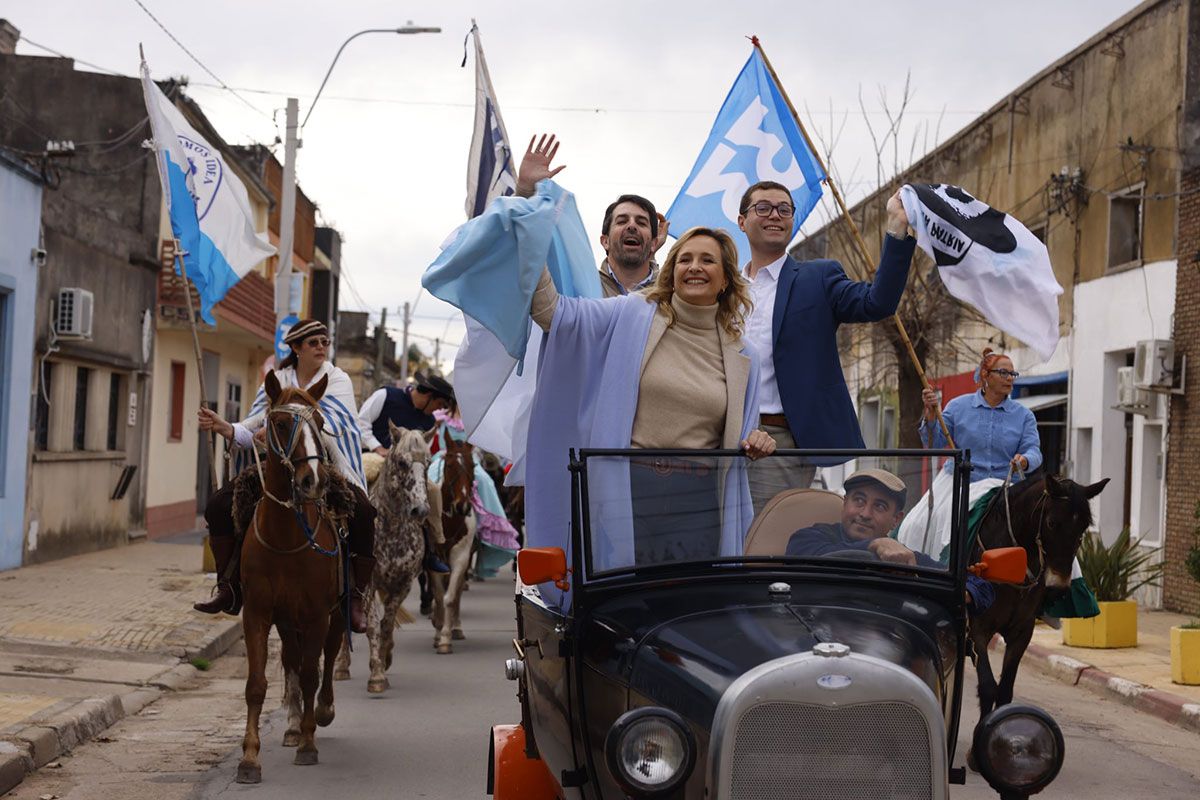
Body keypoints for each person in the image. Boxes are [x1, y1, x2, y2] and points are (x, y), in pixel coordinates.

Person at [738, 180, 916, 513]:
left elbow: (876, 303)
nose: (775, 215)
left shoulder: (817, 277)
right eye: (763, 207)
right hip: (720, 438)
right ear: (742, 221)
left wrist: (897, 227)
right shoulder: (725, 286)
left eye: (784, 209)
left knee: (760, 546)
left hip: (777, 442)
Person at [193, 319, 378, 633]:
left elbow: (337, 423)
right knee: (218, 506)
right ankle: (228, 587)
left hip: (324, 463)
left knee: (363, 512)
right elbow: (253, 425)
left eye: (325, 341)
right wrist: (226, 427)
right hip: (277, 466)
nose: (322, 347)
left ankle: (355, 597)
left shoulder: (337, 379)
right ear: (295, 348)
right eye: (313, 343)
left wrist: (292, 428)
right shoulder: (277, 379)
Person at [897, 348, 1042, 557]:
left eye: (1013, 374)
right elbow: (935, 443)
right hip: (960, 481)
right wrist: (930, 417)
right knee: (918, 524)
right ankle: (931, 567)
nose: (1010, 378)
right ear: (985, 375)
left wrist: (1025, 460)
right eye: (1004, 373)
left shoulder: (1024, 415)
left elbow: (1034, 450)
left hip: (1005, 485)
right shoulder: (957, 407)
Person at [785, 468, 994, 612]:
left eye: (880, 506)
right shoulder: (812, 537)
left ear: (896, 520)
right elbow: (804, 556)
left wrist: (961, 592)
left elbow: (981, 589)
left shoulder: (904, 559)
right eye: (858, 500)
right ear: (844, 504)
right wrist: (873, 545)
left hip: (881, 646)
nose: (865, 513)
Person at [515, 135, 668, 297]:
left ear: (654, 244)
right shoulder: (576, 289)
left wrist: (649, 252)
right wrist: (526, 192)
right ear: (605, 241)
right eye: (622, 221)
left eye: (642, 223)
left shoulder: (670, 296)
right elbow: (529, 258)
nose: (631, 226)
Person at [358, 371, 455, 455]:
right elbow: (360, 423)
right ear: (429, 396)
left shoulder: (430, 423)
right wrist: (377, 447)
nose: (439, 409)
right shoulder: (386, 395)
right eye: (440, 403)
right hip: (370, 460)